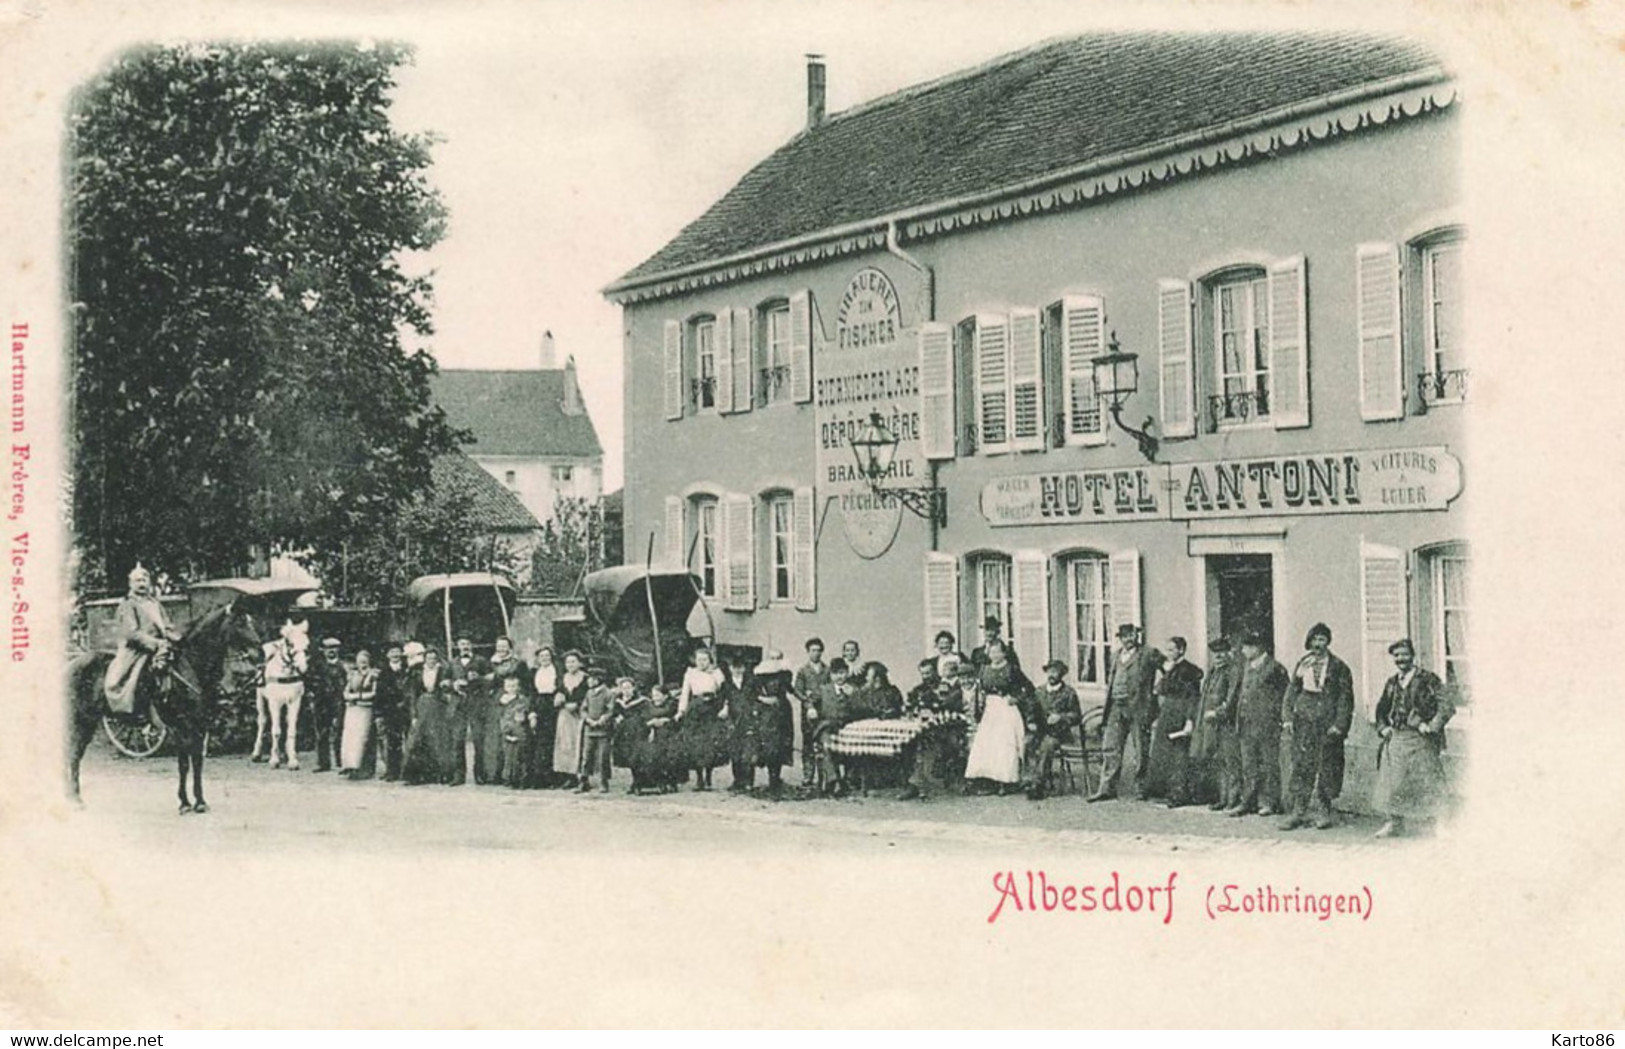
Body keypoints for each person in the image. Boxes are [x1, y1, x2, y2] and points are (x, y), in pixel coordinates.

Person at [1371, 638, 1455, 838]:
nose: (1401, 659)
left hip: (1421, 739)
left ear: (1412, 656)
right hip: (1398, 738)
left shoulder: (1428, 679)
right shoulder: (1392, 683)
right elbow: (1381, 709)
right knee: (1393, 782)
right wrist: (1383, 728)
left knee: (1431, 781)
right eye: (1397, 655)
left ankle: (1441, 825)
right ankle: (1395, 823)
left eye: (1404, 654)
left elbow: (1447, 705)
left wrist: (1432, 726)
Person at [1280, 622, 1356, 831]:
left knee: (1327, 767)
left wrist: (1339, 725)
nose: (1318, 644)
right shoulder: (1302, 664)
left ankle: (1324, 810)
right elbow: (1291, 693)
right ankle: (1299, 811)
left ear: (1328, 642)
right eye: (1314, 640)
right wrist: (1288, 719)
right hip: (1304, 722)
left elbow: (1345, 699)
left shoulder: (1339, 667)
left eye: (1322, 640)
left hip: (1327, 724)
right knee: (1302, 765)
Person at [1088, 624, 1163, 802]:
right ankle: (1106, 788)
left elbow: (1169, 669)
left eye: (1132, 635)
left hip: (1138, 708)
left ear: (1137, 636)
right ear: (1120, 638)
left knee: (1140, 749)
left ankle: (1141, 788)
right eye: (1125, 636)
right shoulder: (1115, 656)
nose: (1129, 639)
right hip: (1115, 706)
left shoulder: (1148, 653)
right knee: (1111, 747)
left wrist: (1158, 690)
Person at [103, 564, 183, 716]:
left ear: (149, 583)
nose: (141, 584)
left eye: (144, 580)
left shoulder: (155, 603)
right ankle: (140, 710)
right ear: (131, 584)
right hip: (137, 649)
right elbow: (131, 633)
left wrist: (177, 638)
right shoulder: (128, 604)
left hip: (159, 646)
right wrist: (155, 643)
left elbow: (166, 626)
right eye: (137, 581)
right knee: (137, 678)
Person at [1226, 631, 1289, 818]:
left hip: (1267, 725)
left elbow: (1285, 696)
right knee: (1249, 765)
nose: (1242, 650)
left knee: (1268, 764)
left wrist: (1280, 719)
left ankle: (1269, 802)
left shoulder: (1275, 668)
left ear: (1257, 648)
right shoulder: (1245, 667)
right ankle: (1249, 801)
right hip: (1246, 725)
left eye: (1245, 647)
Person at [963, 639, 1031, 794]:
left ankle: (1006, 781)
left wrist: (1016, 698)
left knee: (1004, 745)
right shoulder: (984, 669)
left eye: (997, 652)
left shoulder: (1012, 669)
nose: (994, 655)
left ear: (1004, 653)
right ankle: (988, 781)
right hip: (990, 710)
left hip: (1006, 709)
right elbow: (979, 690)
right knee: (987, 745)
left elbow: (1028, 688)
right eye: (991, 652)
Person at [899, 657, 968, 800]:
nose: (926, 676)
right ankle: (915, 783)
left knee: (926, 746)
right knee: (911, 743)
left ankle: (918, 784)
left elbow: (948, 706)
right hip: (928, 728)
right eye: (923, 674)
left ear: (935, 672)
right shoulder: (919, 689)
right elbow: (911, 706)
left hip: (948, 728)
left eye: (929, 673)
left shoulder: (945, 686)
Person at [1149, 637, 1205, 807]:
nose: (1168, 653)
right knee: (1164, 753)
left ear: (1181, 650)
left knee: (1179, 755)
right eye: (1167, 650)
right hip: (1168, 711)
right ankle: (1166, 790)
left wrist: (1189, 720)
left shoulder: (1189, 671)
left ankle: (1180, 793)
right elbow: (1160, 690)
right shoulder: (1170, 668)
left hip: (1181, 711)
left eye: (1172, 650)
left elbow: (1193, 697)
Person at [1193, 637, 1242, 810]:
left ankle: (1234, 799)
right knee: (1219, 761)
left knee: (1231, 761)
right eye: (1215, 653)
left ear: (1229, 653)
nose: (1218, 657)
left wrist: (1218, 712)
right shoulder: (1213, 672)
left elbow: (1232, 698)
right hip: (1212, 725)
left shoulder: (1233, 671)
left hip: (1228, 723)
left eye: (1222, 653)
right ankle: (1223, 797)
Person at [1024, 660, 1081, 801]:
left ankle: (1038, 784)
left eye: (1055, 672)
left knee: (1047, 746)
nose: (1051, 675)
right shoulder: (1039, 691)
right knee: (1027, 743)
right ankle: (1030, 780)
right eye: (1049, 671)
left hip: (1059, 733)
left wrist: (1061, 717)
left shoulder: (1069, 693)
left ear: (1061, 674)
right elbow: (1031, 710)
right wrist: (1031, 722)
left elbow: (1076, 716)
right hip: (1040, 731)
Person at [402, 646, 455, 786]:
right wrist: (414, 714)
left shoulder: (443, 671)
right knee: (417, 740)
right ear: (424, 659)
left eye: (434, 658)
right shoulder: (417, 672)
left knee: (438, 740)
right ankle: (415, 775)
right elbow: (413, 694)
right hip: (422, 705)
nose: (431, 661)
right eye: (428, 658)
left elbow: (448, 690)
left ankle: (441, 774)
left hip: (437, 707)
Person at [677, 646, 728, 791]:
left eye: (704, 659)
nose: (701, 662)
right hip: (695, 709)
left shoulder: (716, 673)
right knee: (696, 745)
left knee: (710, 744)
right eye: (699, 659)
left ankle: (709, 778)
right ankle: (699, 778)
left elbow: (725, 691)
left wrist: (725, 707)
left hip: (712, 709)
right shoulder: (690, 673)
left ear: (709, 660)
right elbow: (685, 692)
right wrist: (681, 711)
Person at [450, 635, 493, 786]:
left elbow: (491, 680)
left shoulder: (481, 661)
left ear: (472, 645)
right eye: (462, 644)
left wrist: (478, 678)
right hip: (459, 706)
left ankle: (480, 774)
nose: (465, 646)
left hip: (476, 703)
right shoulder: (453, 662)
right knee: (457, 740)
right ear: (457, 645)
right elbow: (443, 681)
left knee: (478, 739)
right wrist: (453, 684)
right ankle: (458, 775)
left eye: (468, 643)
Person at [483, 636, 526, 785]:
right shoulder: (491, 663)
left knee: (511, 733)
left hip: (513, 699)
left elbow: (524, 683)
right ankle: (494, 774)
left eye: (504, 646)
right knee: (494, 736)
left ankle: (511, 775)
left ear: (510, 648)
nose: (501, 649)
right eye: (499, 646)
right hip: (496, 700)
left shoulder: (517, 663)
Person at [806, 657, 852, 795]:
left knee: (854, 745)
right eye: (836, 673)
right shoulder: (824, 689)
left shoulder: (852, 689)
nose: (839, 677)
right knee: (826, 745)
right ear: (831, 675)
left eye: (843, 673)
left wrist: (854, 696)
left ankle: (848, 779)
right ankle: (834, 779)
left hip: (847, 728)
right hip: (827, 727)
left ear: (847, 673)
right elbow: (810, 701)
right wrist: (810, 708)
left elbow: (861, 707)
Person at [339, 649, 379, 780]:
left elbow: (373, 693)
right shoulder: (352, 675)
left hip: (365, 709)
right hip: (352, 709)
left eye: (365, 661)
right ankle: (350, 766)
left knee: (363, 737)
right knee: (350, 738)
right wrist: (352, 697)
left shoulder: (373, 675)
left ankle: (364, 768)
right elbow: (345, 692)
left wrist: (357, 697)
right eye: (360, 661)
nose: (362, 664)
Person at [309, 637, 347, 774]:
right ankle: (323, 763)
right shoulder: (316, 666)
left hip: (338, 702)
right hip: (321, 703)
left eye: (334, 648)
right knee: (321, 733)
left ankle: (341, 761)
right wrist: (313, 698)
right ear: (323, 651)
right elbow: (310, 683)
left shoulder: (343, 666)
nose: (331, 651)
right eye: (328, 649)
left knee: (339, 732)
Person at [552, 650, 589, 790]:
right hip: (565, 715)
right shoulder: (562, 678)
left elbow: (589, 696)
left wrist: (578, 705)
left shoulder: (585, 678)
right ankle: (569, 776)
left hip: (580, 715)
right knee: (565, 744)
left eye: (573, 661)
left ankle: (583, 777)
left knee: (580, 744)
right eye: (568, 662)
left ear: (579, 663)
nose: (570, 664)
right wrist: (559, 697)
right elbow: (558, 692)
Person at [611, 676, 653, 794]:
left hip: (638, 732)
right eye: (624, 688)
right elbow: (614, 714)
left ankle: (639, 783)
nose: (626, 690)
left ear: (633, 688)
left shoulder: (642, 701)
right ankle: (635, 782)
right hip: (624, 734)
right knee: (629, 758)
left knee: (638, 758)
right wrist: (617, 718)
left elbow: (646, 716)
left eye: (629, 687)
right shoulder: (618, 702)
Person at [578, 663, 617, 793]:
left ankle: (603, 782)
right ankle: (584, 781)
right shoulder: (588, 693)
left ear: (599, 679)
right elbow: (583, 708)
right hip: (589, 730)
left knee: (603, 758)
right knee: (586, 756)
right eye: (589, 679)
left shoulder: (608, 693)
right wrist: (587, 719)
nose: (589, 681)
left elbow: (610, 711)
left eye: (592, 679)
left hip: (603, 731)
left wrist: (601, 720)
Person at [528, 645, 560, 788]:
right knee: (540, 741)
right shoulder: (535, 672)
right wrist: (532, 712)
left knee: (552, 740)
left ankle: (554, 778)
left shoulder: (557, 670)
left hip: (553, 705)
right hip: (540, 704)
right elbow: (532, 693)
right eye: (541, 656)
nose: (544, 658)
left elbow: (561, 687)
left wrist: (560, 694)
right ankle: (540, 777)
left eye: (547, 656)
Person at [375, 646, 408, 781]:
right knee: (393, 742)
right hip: (390, 710)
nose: (395, 654)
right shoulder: (383, 672)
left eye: (397, 652)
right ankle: (392, 771)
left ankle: (407, 771)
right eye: (392, 652)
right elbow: (379, 693)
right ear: (387, 655)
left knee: (409, 740)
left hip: (405, 710)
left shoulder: (407, 669)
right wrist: (379, 713)